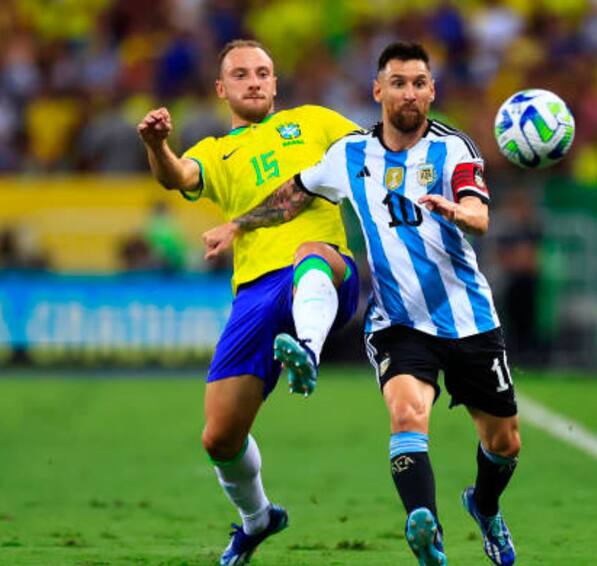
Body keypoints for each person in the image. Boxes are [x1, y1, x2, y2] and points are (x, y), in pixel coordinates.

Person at [205, 41, 520, 566]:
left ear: (432, 91)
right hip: (397, 320)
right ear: (378, 91)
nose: (410, 93)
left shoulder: (454, 149)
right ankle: (427, 527)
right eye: (398, 83)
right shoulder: (351, 155)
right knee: (406, 414)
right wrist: (236, 224)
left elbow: (479, 212)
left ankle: (484, 506)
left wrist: (461, 214)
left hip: (468, 318)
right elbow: (294, 195)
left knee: (504, 442)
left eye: (420, 83)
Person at [136, 39, 361, 565]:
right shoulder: (217, 151)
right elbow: (178, 177)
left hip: (327, 268)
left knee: (309, 254)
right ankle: (258, 519)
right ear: (222, 89)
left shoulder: (315, 122)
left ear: (276, 83)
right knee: (219, 437)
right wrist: (156, 145)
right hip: (256, 293)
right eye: (241, 74)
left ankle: (307, 350)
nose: (254, 80)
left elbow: (374, 154)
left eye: (263, 72)